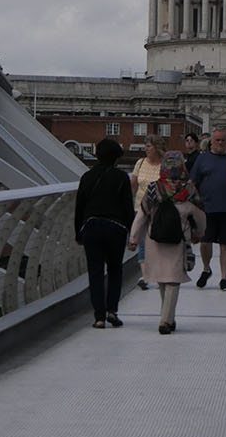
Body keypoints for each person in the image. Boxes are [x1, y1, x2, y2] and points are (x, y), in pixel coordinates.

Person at [128, 151, 206, 334]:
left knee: (162, 279)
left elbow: (142, 214)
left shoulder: (154, 188)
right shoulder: (189, 190)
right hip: (178, 238)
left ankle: (166, 317)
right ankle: (166, 319)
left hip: (154, 238)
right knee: (173, 280)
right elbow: (200, 215)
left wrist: (133, 238)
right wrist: (199, 233)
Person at [74, 137, 134, 328]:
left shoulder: (87, 177)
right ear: (116, 158)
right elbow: (127, 208)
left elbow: (80, 208)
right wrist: (131, 233)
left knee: (95, 272)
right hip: (115, 229)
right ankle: (112, 311)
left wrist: (78, 233)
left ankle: (99, 317)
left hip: (91, 227)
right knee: (115, 270)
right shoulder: (122, 178)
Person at [190, 126, 226, 288]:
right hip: (207, 208)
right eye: (217, 140)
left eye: (223, 140)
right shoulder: (202, 159)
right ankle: (206, 268)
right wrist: (197, 200)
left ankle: (224, 278)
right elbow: (192, 182)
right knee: (206, 242)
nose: (220, 143)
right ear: (211, 142)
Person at [129, 135, 166, 290]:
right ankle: (145, 276)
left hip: (159, 208)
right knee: (142, 241)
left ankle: (158, 275)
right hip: (140, 207)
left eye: (149, 146)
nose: (146, 149)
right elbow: (133, 185)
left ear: (157, 148)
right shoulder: (140, 162)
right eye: (146, 146)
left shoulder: (164, 165)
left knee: (158, 242)